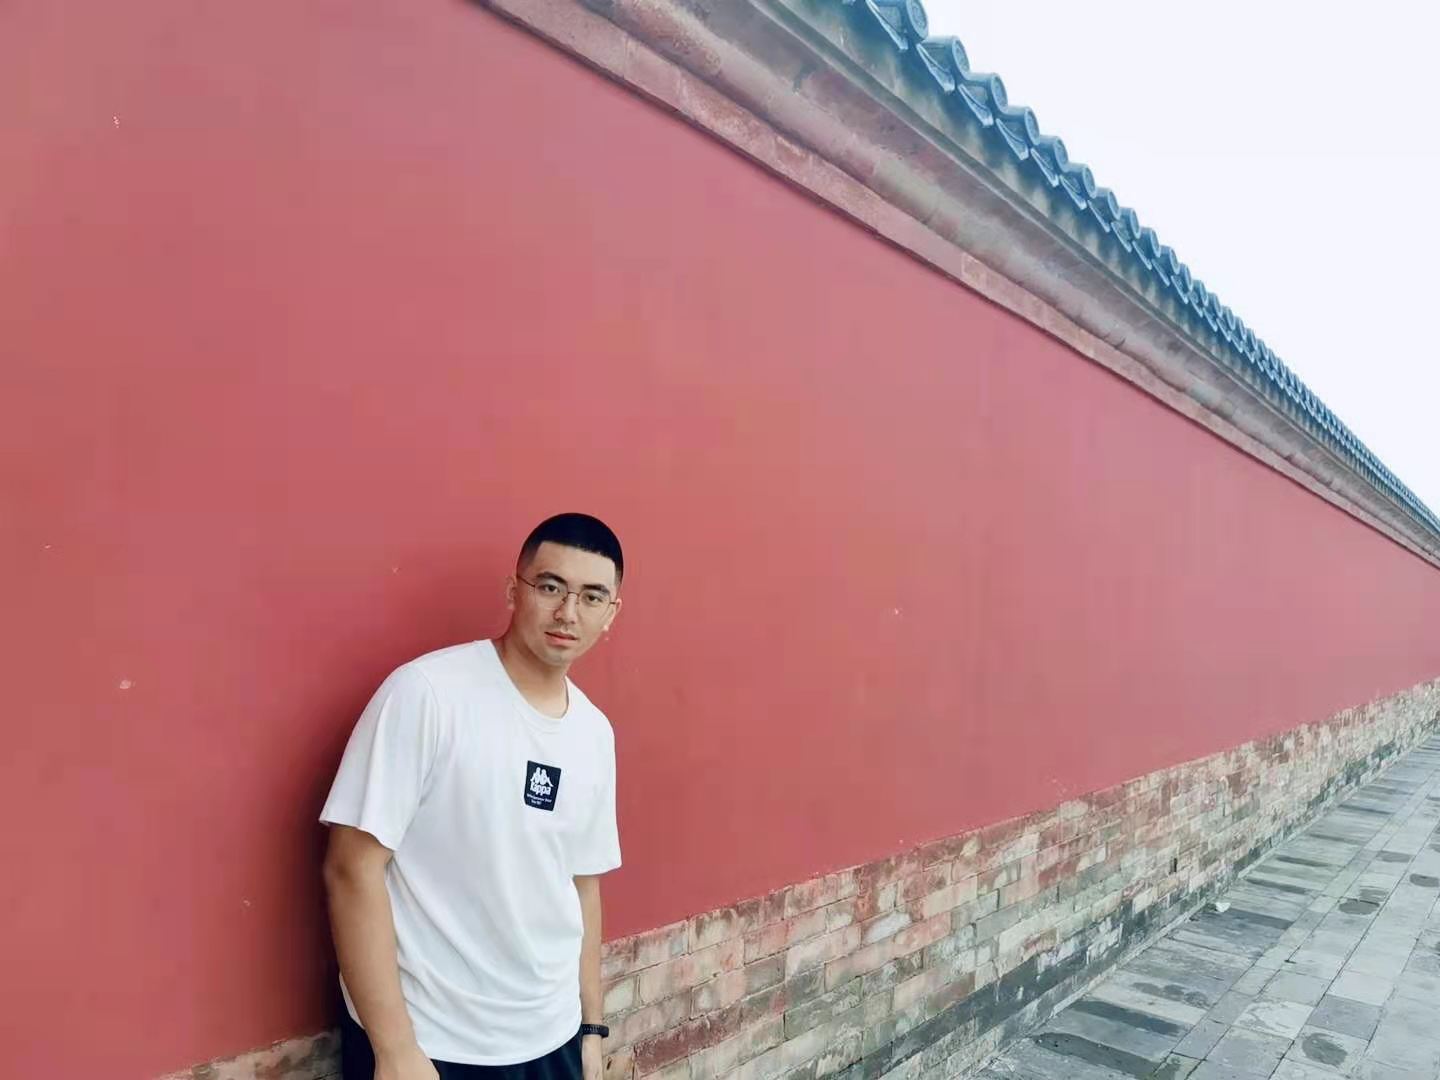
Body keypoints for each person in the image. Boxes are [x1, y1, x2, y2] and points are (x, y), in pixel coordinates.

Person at [320, 513, 625, 1080]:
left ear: (611, 613)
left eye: (591, 596)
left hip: (552, 1038)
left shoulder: (594, 733)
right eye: (550, 587)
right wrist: (395, 1049)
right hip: (434, 1042)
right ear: (514, 590)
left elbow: (582, 886)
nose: (568, 612)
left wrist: (591, 1028)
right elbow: (351, 867)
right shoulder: (428, 694)